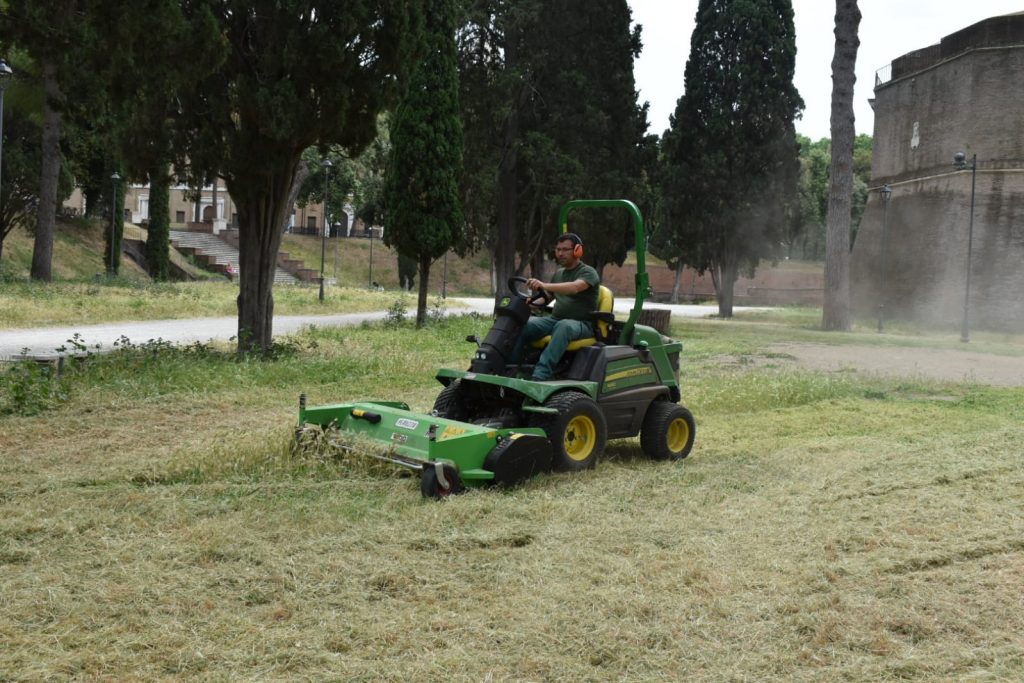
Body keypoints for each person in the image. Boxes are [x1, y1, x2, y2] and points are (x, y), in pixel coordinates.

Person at [511, 233, 600, 380]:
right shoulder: (559, 274)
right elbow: (546, 298)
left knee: (564, 326)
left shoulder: (588, 272)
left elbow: (574, 288)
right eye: (558, 249)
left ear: (578, 250)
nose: (560, 253)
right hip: (555, 320)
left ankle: (540, 374)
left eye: (565, 249)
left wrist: (543, 284)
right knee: (523, 324)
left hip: (582, 324)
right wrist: (530, 303)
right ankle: (512, 367)